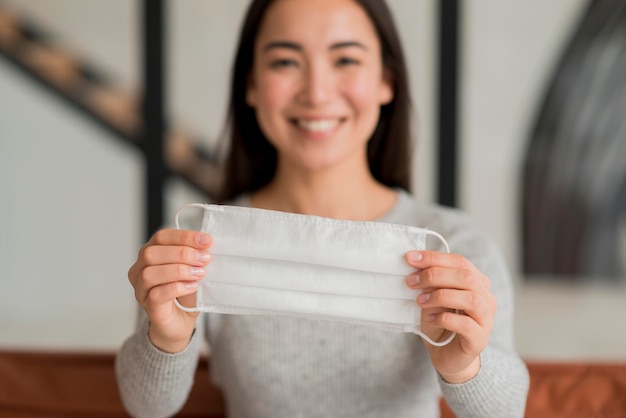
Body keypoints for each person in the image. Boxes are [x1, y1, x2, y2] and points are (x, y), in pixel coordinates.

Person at [115, 0, 530, 417]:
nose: (316, 92)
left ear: (386, 80)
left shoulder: (454, 245)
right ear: (251, 85)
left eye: (345, 59)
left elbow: (508, 411)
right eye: (285, 62)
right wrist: (166, 339)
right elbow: (148, 408)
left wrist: (462, 365)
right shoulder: (207, 244)